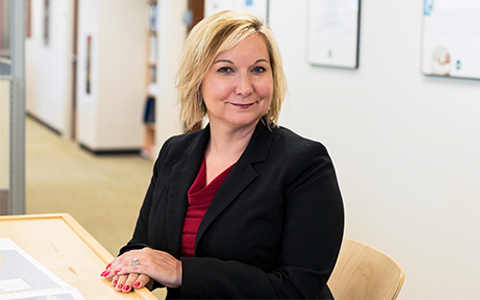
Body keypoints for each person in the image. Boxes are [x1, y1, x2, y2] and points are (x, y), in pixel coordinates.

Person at [101, 10, 344, 299]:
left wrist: (180, 272)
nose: (245, 88)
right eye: (225, 70)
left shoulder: (305, 164)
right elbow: (143, 245)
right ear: (197, 80)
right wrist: (136, 266)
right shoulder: (174, 152)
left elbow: (296, 288)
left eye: (258, 69)